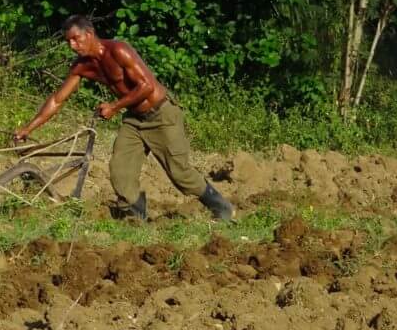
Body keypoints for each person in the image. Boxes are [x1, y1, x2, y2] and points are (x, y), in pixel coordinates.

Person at [14, 15, 234, 221]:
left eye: (76, 39)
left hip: (161, 114)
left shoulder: (118, 50)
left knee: (180, 173)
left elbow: (147, 86)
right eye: (68, 42)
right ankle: (137, 218)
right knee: (120, 171)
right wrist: (29, 128)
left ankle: (221, 207)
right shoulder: (82, 66)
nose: (72, 46)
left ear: (89, 34)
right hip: (135, 119)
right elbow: (57, 100)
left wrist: (114, 106)